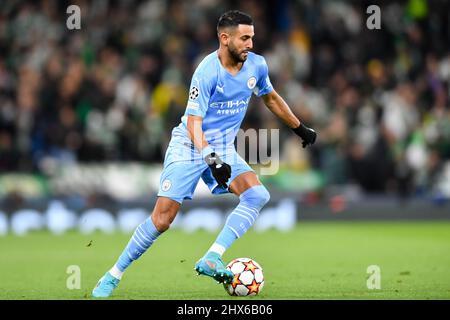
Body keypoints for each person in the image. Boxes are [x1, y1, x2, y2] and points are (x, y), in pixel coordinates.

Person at [92, 10, 316, 298]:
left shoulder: (257, 66)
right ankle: (113, 275)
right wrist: (211, 159)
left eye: (252, 38)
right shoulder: (207, 71)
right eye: (244, 38)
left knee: (257, 195)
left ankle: (212, 256)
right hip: (189, 145)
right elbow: (194, 123)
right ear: (225, 38)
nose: (250, 43)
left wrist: (299, 128)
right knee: (162, 220)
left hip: (222, 147)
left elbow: (270, 97)